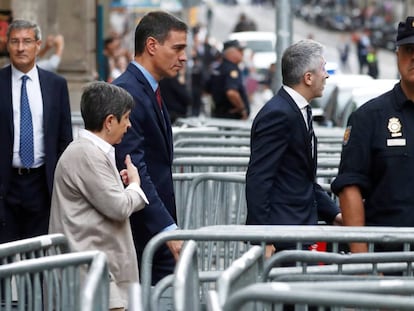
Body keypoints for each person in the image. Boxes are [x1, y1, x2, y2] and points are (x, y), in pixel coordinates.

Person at [49, 81, 148, 311]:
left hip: (98, 273)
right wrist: (134, 185)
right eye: (126, 118)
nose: (129, 125)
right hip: (92, 276)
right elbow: (119, 206)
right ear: (110, 121)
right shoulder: (87, 154)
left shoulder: (90, 152)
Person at [246, 39, 342, 258]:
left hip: (297, 230)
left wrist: (335, 214)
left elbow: (301, 178)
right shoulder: (278, 114)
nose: (326, 75)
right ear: (308, 78)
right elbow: (259, 178)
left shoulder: (298, 111)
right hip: (282, 238)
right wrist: (264, 238)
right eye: (323, 69)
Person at [112, 10, 187, 284]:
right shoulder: (128, 92)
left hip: (153, 230)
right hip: (143, 233)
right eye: (177, 48)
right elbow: (135, 168)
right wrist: (167, 228)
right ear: (152, 45)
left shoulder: (148, 88)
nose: (184, 57)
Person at [331, 16, 414, 253]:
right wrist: (363, 263)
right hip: (389, 263)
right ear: (397, 55)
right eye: (409, 49)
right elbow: (350, 188)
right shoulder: (369, 117)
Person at [0, 19, 72, 244]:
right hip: (5, 185)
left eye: (27, 41)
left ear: (38, 45)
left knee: (39, 259)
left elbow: (64, 138)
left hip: (42, 186)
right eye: (15, 42)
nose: (21, 48)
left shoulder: (56, 85)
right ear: (7, 45)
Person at [209, 39, 250, 120]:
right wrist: (242, 109)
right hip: (231, 117)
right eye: (239, 50)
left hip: (218, 115)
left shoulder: (218, 68)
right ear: (230, 53)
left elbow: (207, 90)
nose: (242, 53)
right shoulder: (232, 69)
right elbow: (231, 92)